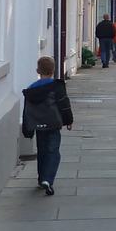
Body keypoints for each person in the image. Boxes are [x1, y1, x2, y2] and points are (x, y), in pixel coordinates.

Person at [21, 56, 73, 195]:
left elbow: (26, 110)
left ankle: (41, 179)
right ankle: (48, 179)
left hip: (38, 125)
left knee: (42, 150)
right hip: (54, 123)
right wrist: (69, 120)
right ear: (53, 70)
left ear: (37, 70)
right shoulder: (57, 86)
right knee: (53, 151)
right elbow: (64, 104)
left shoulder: (31, 89)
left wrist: (27, 128)